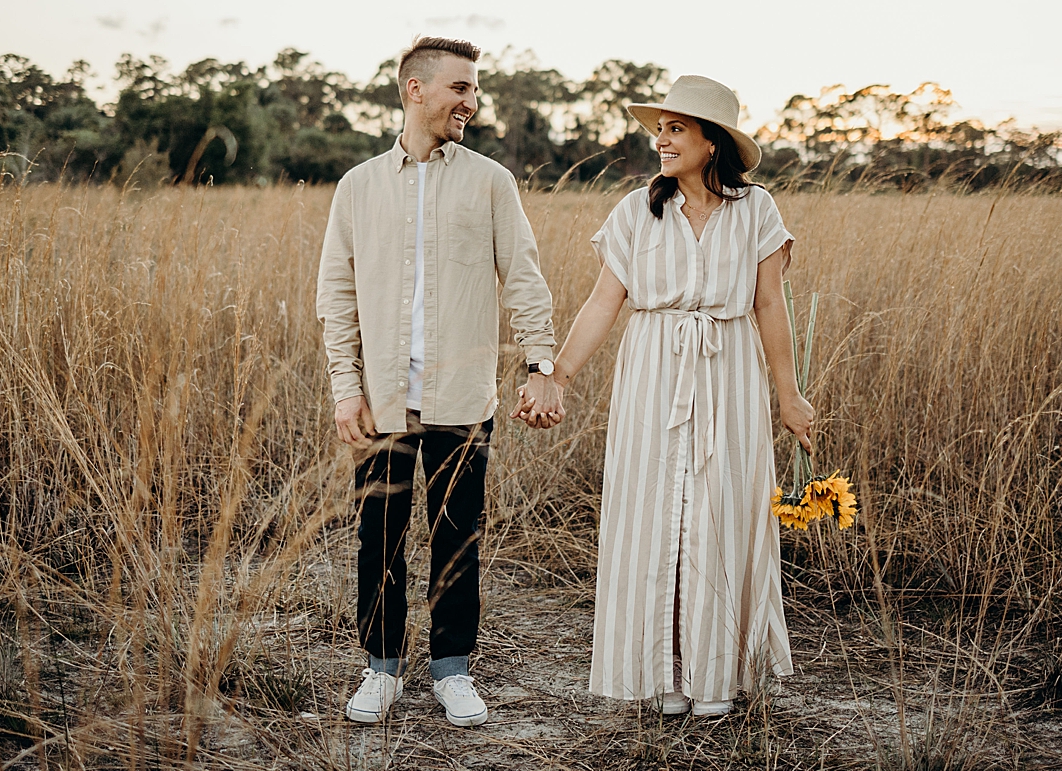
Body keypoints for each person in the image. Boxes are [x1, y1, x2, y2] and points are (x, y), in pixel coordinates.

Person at [515, 74, 816, 716]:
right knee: (654, 516)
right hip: (652, 371)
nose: (662, 140)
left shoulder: (757, 210)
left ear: (714, 143)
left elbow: (770, 305)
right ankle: (665, 672)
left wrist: (789, 396)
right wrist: (557, 375)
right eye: (660, 129)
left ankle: (718, 675)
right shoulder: (635, 210)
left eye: (676, 129)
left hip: (728, 369)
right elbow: (603, 302)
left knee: (723, 513)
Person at [316, 36, 564, 728]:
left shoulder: (490, 180)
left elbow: (523, 273)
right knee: (380, 535)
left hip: (463, 397)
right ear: (415, 89)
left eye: (475, 90)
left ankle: (453, 670)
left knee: (459, 534)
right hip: (384, 399)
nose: (472, 102)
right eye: (460, 87)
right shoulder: (359, 186)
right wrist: (347, 386)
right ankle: (382, 669)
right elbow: (335, 292)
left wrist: (540, 363)